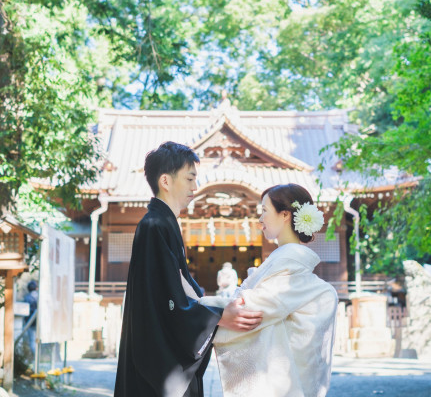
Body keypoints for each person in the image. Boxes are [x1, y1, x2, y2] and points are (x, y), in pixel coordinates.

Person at [114, 141, 263, 397]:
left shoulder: (163, 222)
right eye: (190, 178)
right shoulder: (154, 226)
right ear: (166, 181)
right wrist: (216, 315)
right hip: (156, 359)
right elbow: (167, 301)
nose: (196, 188)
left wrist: (214, 310)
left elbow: (181, 291)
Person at [184, 183, 338, 397]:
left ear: (285, 215)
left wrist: (191, 307)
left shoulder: (290, 266)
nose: (260, 219)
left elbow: (250, 311)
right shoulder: (282, 261)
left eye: (264, 211)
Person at [23, 280, 38, 356]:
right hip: (39, 322)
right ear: (36, 288)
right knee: (38, 340)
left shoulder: (27, 298)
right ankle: (38, 357)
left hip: (30, 322)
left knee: (32, 340)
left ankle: (35, 356)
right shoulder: (39, 296)